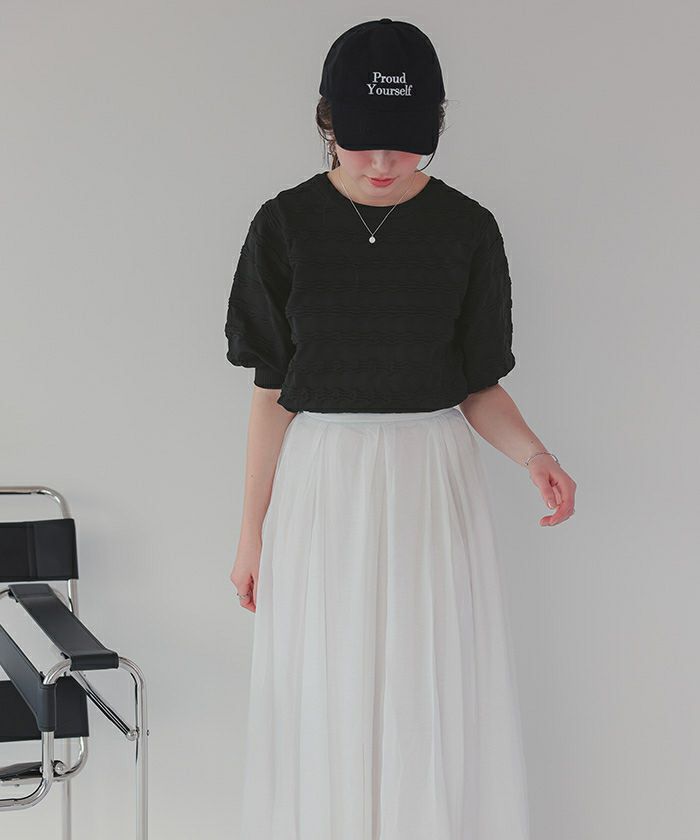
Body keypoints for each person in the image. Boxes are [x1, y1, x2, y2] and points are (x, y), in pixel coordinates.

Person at [225, 17, 576, 840]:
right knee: (327, 689)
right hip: (323, 483)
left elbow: (477, 385)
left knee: (427, 684)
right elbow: (272, 392)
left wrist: (535, 454)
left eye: (405, 143)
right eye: (361, 141)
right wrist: (251, 533)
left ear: (435, 127)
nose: (382, 163)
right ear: (327, 122)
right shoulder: (284, 225)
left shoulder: (466, 229)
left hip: (430, 479)